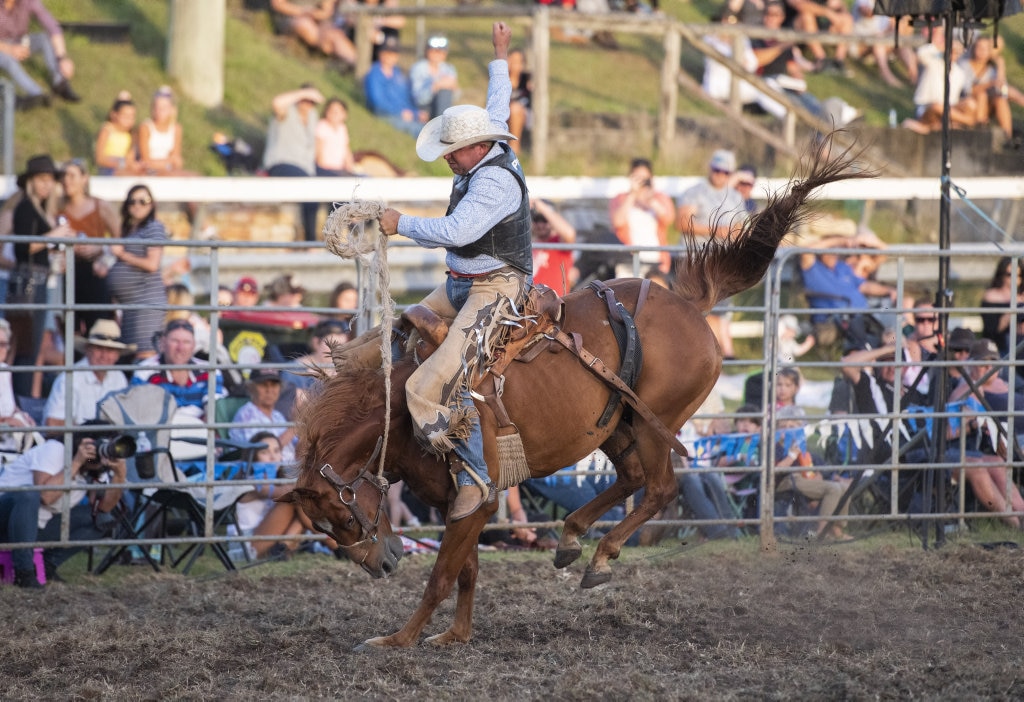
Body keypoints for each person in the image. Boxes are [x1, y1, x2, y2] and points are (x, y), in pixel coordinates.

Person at [377, 21, 528, 521]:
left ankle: (475, 476)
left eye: (448, 152)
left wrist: (401, 224)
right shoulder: (490, 153)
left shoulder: (493, 185)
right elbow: (498, 106)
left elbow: (458, 231)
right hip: (464, 282)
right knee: (403, 326)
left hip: (495, 286)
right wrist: (499, 55)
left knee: (426, 385)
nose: (444, 160)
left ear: (473, 148)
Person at [0, 423, 126, 587]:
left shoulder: (95, 469)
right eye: (100, 445)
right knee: (29, 494)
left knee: (102, 518)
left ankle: (48, 564)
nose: (103, 451)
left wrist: (119, 475)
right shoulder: (56, 450)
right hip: (6, 518)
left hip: (35, 527)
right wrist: (76, 462)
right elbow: (46, 496)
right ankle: (24, 573)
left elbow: (104, 509)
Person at [676, 149, 747, 359]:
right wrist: (717, 230)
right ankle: (708, 355)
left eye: (725, 172)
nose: (720, 175)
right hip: (695, 261)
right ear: (710, 169)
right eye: (717, 170)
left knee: (719, 309)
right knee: (696, 310)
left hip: (722, 262)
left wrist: (735, 237)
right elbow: (682, 223)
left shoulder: (735, 197)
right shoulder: (694, 192)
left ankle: (718, 355)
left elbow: (740, 228)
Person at [10, 154, 74, 372]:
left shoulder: (41, 210)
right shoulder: (25, 207)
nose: (46, 185)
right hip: (28, 282)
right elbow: (22, 248)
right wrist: (54, 235)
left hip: (39, 279)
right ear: (31, 182)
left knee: (33, 346)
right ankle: (21, 396)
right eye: (41, 179)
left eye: (50, 180)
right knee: (26, 346)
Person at [58, 159, 120, 337]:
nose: (67, 180)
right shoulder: (58, 208)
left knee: (99, 327)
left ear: (84, 178)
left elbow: (120, 238)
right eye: (64, 176)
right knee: (70, 329)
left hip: (95, 274)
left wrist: (99, 248)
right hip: (68, 274)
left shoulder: (101, 206)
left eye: (72, 175)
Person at [772, 404, 853, 540]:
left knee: (844, 488)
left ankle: (836, 529)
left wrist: (818, 475)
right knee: (833, 489)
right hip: (787, 480)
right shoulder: (776, 447)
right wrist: (792, 455)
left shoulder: (801, 446)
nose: (787, 431)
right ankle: (822, 532)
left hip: (803, 479)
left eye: (792, 427)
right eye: (783, 427)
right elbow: (776, 470)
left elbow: (815, 465)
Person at [105, 185, 167, 360]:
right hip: (129, 306)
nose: (137, 205)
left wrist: (121, 254)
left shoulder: (154, 227)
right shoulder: (130, 230)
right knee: (131, 354)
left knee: (145, 356)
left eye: (143, 201)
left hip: (145, 303)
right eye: (132, 201)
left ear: (152, 204)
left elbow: (152, 264)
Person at [263, 84, 323, 243]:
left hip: (306, 167)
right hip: (281, 163)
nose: (308, 104)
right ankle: (311, 242)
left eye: (312, 101)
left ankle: (345, 233)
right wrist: (303, 93)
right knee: (310, 188)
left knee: (338, 182)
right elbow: (276, 102)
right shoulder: (287, 111)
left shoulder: (312, 116)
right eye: (305, 100)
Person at [43, 319, 131, 428]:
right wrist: (85, 433)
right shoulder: (70, 378)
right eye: (99, 348)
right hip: (76, 442)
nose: (104, 356)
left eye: (110, 350)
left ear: (117, 355)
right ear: (88, 350)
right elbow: (52, 423)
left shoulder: (119, 378)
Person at [133, 318, 225, 419]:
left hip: (200, 431)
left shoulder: (210, 371)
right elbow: (139, 413)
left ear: (194, 345)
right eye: (175, 341)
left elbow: (213, 412)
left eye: (186, 342)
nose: (180, 348)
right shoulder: (145, 372)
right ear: (163, 342)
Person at [0, 0, 81, 110]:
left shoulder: (28, 2)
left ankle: (59, 83)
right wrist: (9, 49)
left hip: (20, 41)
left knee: (45, 39)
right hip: (2, 46)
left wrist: (63, 58)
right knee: (8, 60)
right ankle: (36, 93)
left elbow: (52, 27)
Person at [608, 157, 675, 277]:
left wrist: (651, 200)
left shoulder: (660, 198)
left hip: (656, 262)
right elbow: (617, 222)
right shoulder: (621, 199)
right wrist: (632, 195)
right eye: (637, 178)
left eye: (645, 178)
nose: (642, 182)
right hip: (628, 262)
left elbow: (668, 219)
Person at [903, 26, 975, 135]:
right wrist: (941, 46)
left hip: (948, 110)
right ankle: (969, 122)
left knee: (970, 103)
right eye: (951, 51)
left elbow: (954, 100)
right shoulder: (933, 63)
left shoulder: (959, 73)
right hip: (926, 107)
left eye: (956, 52)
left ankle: (939, 126)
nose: (953, 54)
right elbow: (922, 53)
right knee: (937, 106)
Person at [277, 318, 349, 419]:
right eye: (332, 344)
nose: (337, 350)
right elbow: (286, 413)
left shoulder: (345, 371)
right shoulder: (293, 372)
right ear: (316, 342)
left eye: (342, 345)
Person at [363, 35, 425, 137]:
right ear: (380, 53)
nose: (389, 56)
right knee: (419, 131)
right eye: (386, 52)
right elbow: (377, 102)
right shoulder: (374, 74)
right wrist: (400, 112)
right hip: (386, 115)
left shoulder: (398, 73)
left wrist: (416, 113)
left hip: (405, 115)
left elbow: (407, 98)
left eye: (393, 53)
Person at [229, 368, 297, 462]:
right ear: (251, 388)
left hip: (289, 469)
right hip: (262, 472)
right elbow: (261, 453)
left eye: (274, 385)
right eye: (264, 385)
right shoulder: (246, 415)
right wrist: (294, 428)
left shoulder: (277, 415)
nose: (269, 390)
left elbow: (297, 446)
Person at [269, 0, 357, 71]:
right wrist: (302, 11)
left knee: (335, 34)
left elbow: (326, 12)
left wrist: (314, 14)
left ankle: (358, 65)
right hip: (291, 17)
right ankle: (334, 58)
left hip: (316, 20)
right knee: (305, 24)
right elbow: (277, 4)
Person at [529, 197, 577, 294]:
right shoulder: (527, 245)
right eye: (536, 220)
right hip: (529, 304)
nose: (540, 225)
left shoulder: (558, 243)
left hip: (555, 304)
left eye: (544, 220)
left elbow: (569, 234)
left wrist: (541, 207)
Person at [980, 257, 1024, 357]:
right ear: (1002, 275)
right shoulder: (991, 296)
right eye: (1010, 275)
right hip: (1000, 347)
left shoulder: (1021, 296)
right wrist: (1012, 311)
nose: (1014, 279)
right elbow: (991, 330)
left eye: (1019, 275)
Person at [137, 86, 186, 175]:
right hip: (148, 171)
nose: (160, 111)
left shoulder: (176, 128)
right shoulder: (145, 127)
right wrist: (168, 163)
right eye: (157, 107)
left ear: (171, 109)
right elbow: (145, 160)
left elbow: (177, 160)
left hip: (167, 170)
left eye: (164, 108)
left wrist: (167, 164)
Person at [410, 34, 459, 120]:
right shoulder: (418, 68)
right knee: (444, 90)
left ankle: (441, 122)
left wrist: (454, 87)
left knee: (445, 92)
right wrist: (436, 86)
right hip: (423, 108)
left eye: (440, 51)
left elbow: (456, 96)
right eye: (434, 51)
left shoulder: (449, 69)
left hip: (442, 105)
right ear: (427, 51)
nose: (437, 54)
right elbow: (418, 99)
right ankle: (441, 124)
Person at [94, 95, 140, 176]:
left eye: (132, 116)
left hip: (124, 166)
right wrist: (120, 164)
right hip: (108, 168)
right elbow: (100, 158)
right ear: (114, 115)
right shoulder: (107, 130)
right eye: (125, 116)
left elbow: (130, 159)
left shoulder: (131, 135)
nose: (129, 120)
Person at [315, 97, 357, 176]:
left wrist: (350, 167)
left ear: (344, 115)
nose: (333, 114)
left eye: (336, 112)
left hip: (339, 168)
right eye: (331, 111)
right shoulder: (322, 126)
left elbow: (346, 150)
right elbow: (319, 151)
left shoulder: (342, 128)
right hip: (327, 169)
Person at [506, 48, 532, 155]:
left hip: (524, 115)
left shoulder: (528, 80)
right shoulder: (501, 80)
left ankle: (514, 148)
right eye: (511, 61)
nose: (514, 65)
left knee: (515, 108)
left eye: (517, 62)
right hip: (506, 115)